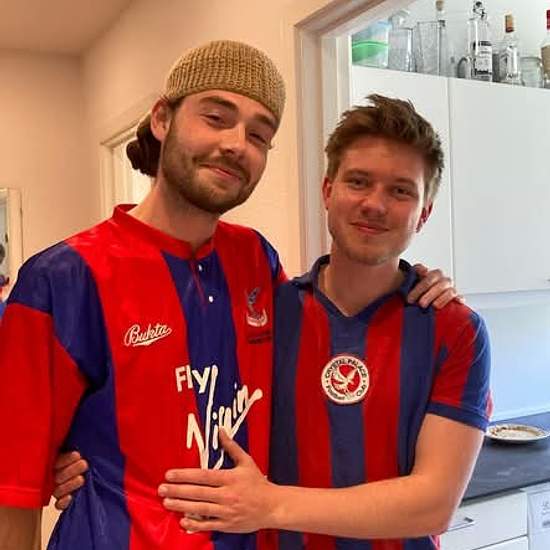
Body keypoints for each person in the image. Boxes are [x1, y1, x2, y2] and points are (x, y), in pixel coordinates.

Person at [0, 39, 456, 550]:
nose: (237, 144)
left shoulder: (255, 260)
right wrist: (60, 458)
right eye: (216, 118)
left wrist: (409, 279)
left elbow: (330, 320)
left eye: (259, 135)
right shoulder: (62, 279)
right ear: (162, 119)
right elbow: (13, 489)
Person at [132, 95, 492, 549]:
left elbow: (433, 505)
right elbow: (169, 400)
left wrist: (271, 505)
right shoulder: (265, 314)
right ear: (327, 191)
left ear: (424, 213)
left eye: (401, 191)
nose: (375, 204)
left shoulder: (456, 330)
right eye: (358, 181)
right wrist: (81, 457)